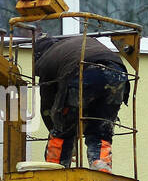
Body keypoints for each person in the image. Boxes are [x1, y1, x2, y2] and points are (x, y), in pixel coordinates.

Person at [32, 31, 130, 172]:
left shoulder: (47, 59)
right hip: (117, 73)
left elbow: (48, 104)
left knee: (63, 129)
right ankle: (101, 165)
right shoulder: (71, 47)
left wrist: (58, 129)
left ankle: (55, 169)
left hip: (84, 72)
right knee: (101, 127)